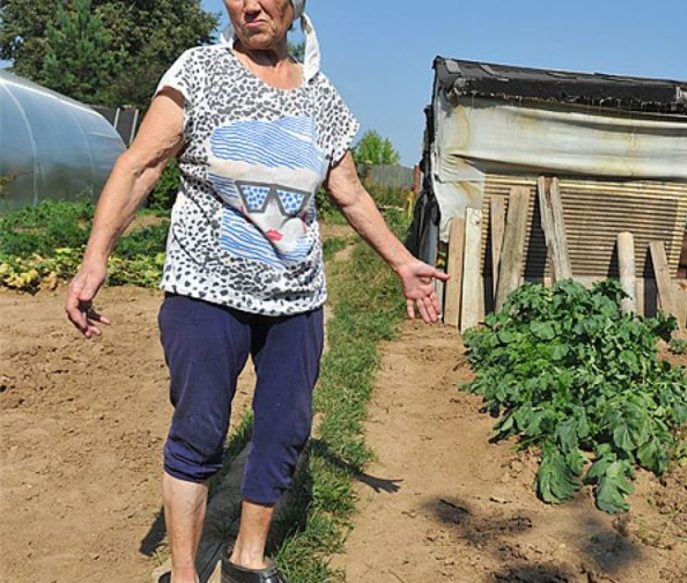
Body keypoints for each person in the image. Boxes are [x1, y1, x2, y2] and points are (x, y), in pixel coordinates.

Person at [63, 1, 447, 581]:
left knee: (286, 426)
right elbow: (141, 165)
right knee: (200, 429)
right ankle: (186, 572)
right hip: (205, 289)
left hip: (296, 298)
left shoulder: (320, 95)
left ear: (295, 7)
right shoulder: (196, 71)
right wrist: (96, 258)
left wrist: (401, 262)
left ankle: (247, 557)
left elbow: (349, 193)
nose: (250, 5)